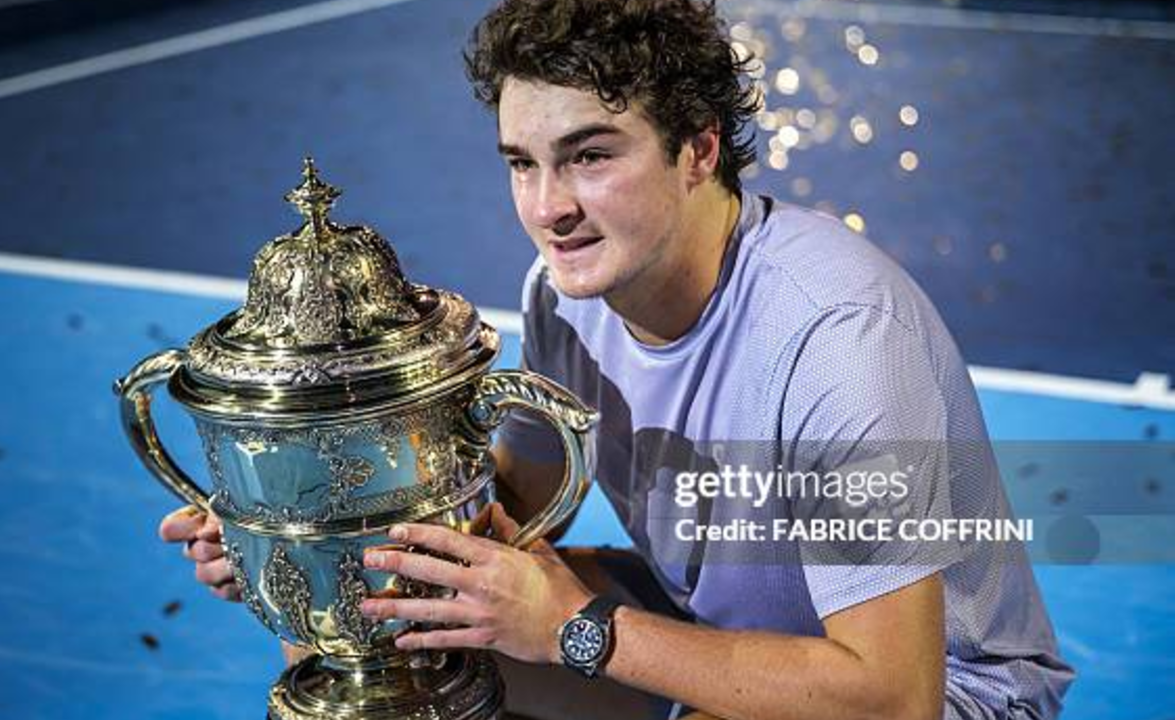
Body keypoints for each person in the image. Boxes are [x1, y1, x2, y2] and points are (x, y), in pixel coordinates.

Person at [160, 1, 1074, 718]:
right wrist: (310, 542)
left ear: (699, 149)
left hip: (945, 690)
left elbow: (889, 699)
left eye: (589, 156)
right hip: (722, 631)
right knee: (382, 645)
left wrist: (576, 630)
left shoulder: (838, 340)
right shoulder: (562, 296)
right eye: (523, 163)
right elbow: (515, 515)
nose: (549, 207)